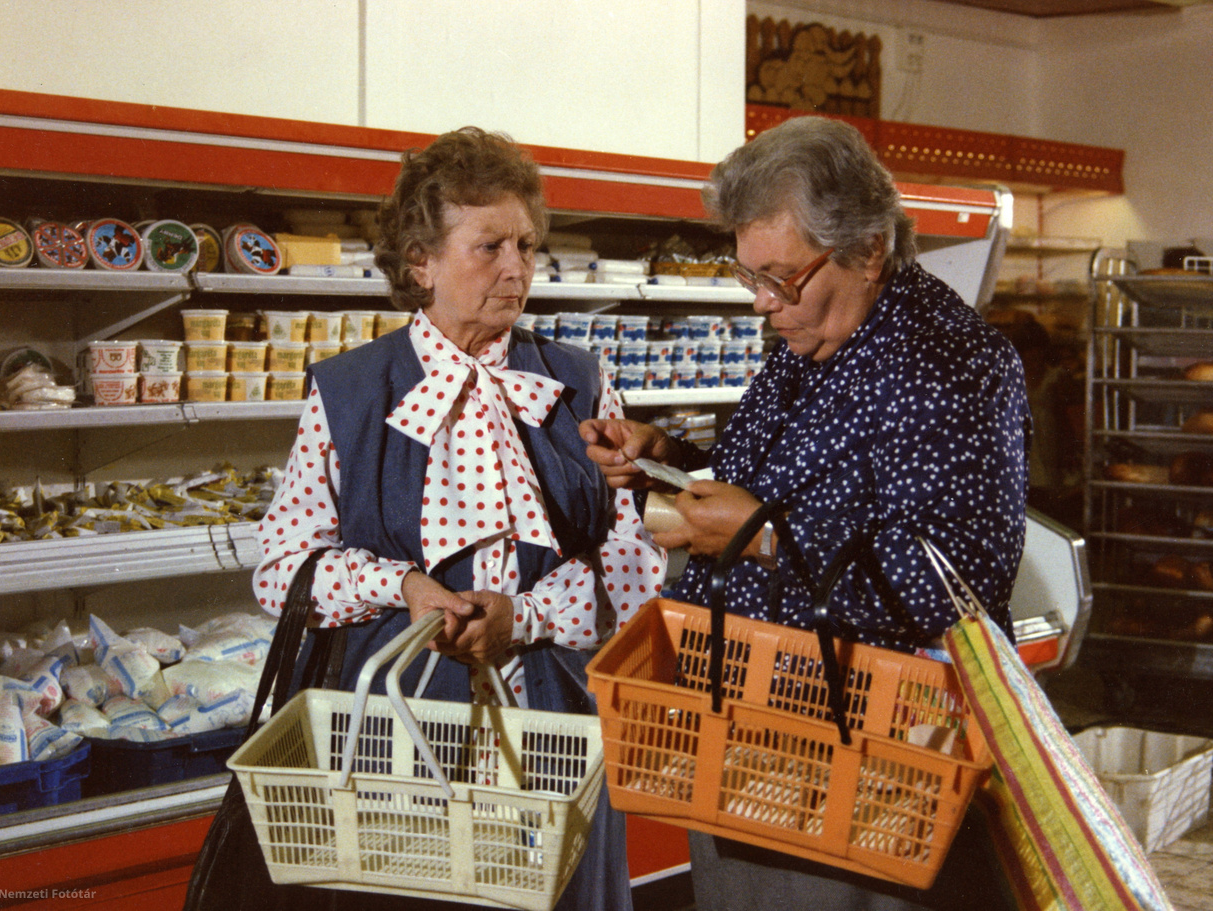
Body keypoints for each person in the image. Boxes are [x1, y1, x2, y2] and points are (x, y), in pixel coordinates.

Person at [580, 116, 1031, 910]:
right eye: (749, 276)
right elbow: (782, 473)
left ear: (867, 250)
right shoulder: (808, 337)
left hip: (869, 775)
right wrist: (670, 455)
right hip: (746, 743)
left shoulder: (957, 362)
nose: (763, 304)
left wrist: (764, 541)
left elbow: (958, 578)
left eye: (782, 279)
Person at [254, 126, 664, 911]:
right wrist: (402, 583)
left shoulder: (577, 381)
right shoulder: (350, 391)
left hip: (555, 727)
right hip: (398, 738)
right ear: (421, 261)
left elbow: (632, 560)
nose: (516, 269)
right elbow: (282, 569)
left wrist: (529, 616)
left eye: (526, 245)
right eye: (488, 247)